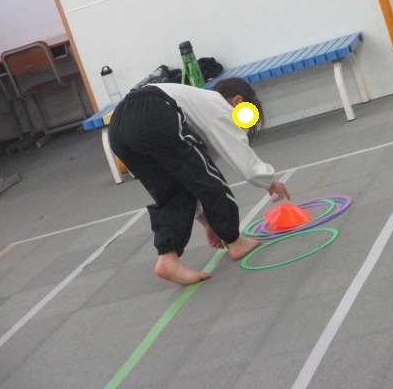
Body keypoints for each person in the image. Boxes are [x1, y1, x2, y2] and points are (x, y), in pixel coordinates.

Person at [108, 77, 290, 285]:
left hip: (118, 127)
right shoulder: (219, 106)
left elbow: (191, 176)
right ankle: (235, 242)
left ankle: (167, 259)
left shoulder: (195, 109)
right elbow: (235, 157)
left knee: (172, 192)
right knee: (211, 181)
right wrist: (269, 181)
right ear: (237, 101)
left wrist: (206, 222)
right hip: (152, 112)